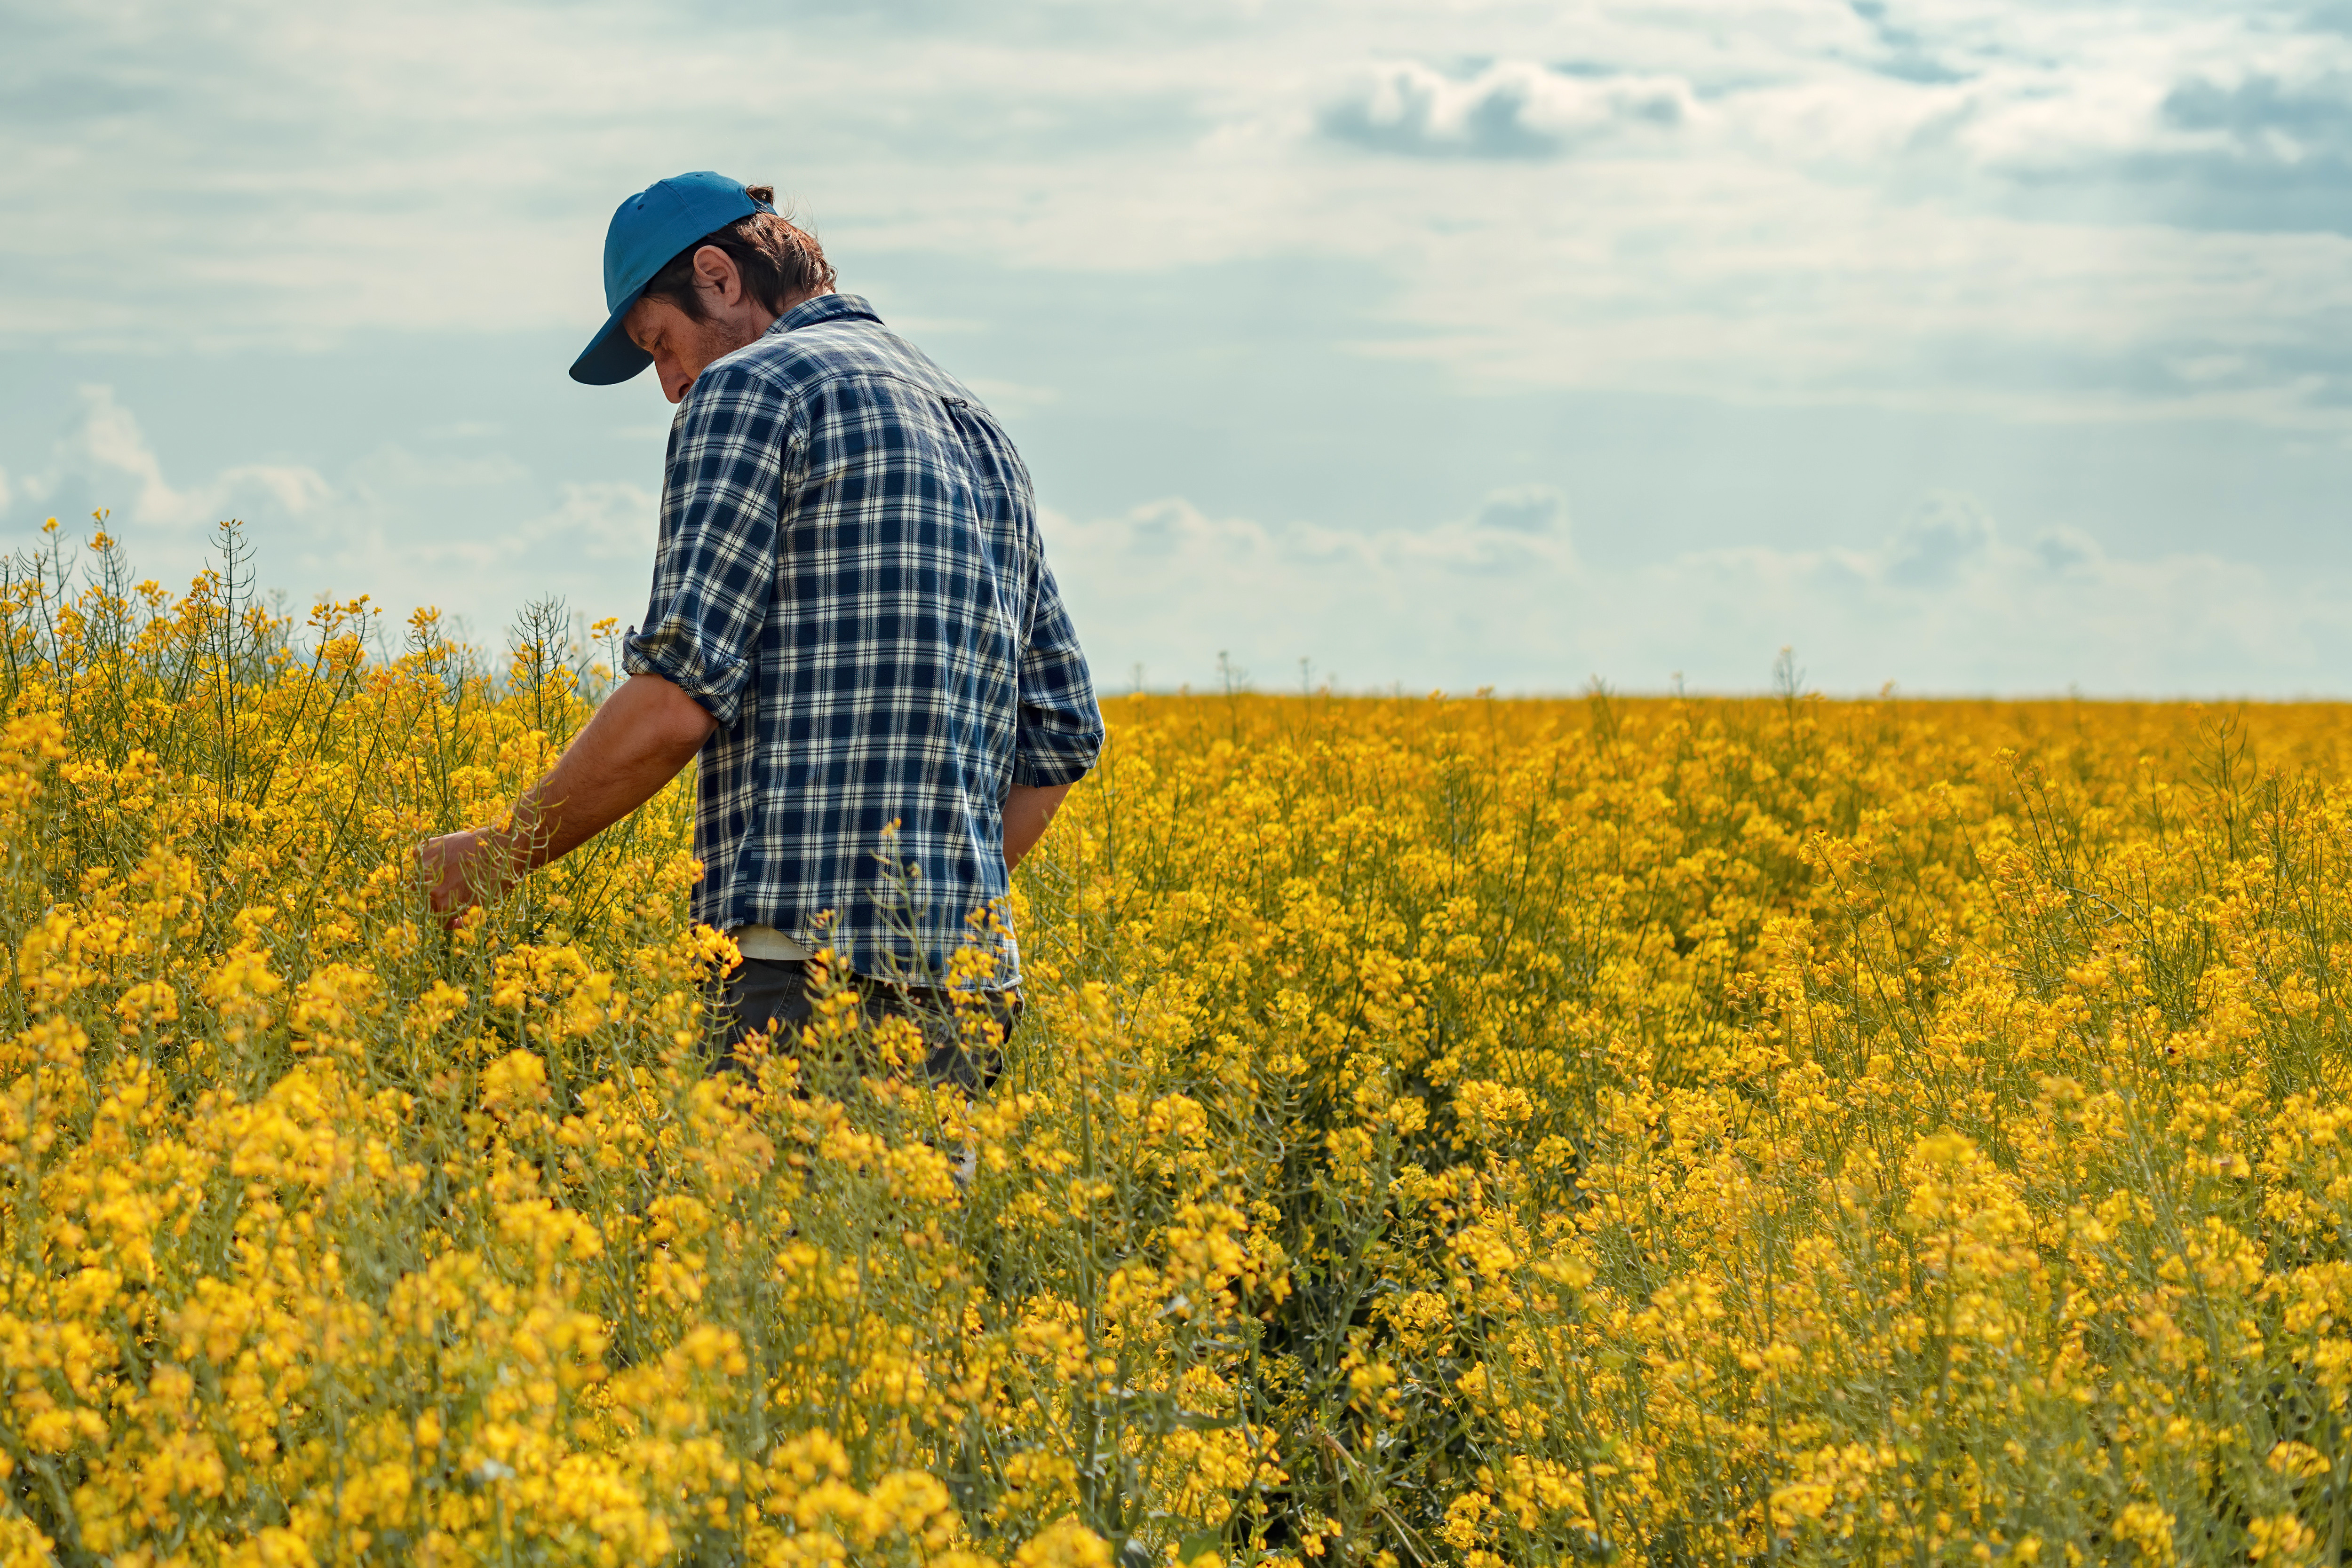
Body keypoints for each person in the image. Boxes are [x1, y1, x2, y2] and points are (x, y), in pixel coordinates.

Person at [417, 171, 1102, 1085]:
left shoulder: (751, 390)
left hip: (799, 978)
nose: (670, 385)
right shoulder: (974, 423)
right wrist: (918, 908)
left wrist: (500, 855)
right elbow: (1059, 736)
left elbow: (674, 702)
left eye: (660, 344)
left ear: (720, 275)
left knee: (776, 1233)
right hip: (964, 993)